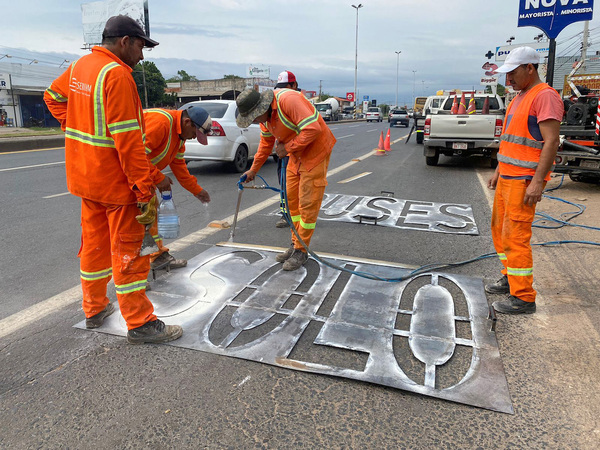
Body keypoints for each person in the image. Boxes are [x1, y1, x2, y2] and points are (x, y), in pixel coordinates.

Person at [44, 15, 182, 343]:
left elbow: (52, 97)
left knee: (94, 248)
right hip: (116, 184)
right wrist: (143, 187)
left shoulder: (81, 67)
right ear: (124, 42)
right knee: (129, 254)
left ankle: (94, 310)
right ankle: (140, 323)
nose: (142, 55)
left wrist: (73, 125)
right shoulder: (117, 76)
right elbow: (129, 142)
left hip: (85, 179)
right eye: (140, 46)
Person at [486, 46, 563, 314]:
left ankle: (524, 297)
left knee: (516, 237)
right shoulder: (520, 97)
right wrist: (498, 170)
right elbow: (511, 141)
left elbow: (551, 141)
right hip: (507, 177)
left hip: (523, 181)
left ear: (530, 68)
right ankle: (510, 277)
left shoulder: (545, 96)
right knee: (500, 232)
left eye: (513, 73)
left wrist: (538, 182)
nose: (508, 80)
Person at [236, 87, 336, 271]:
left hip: (314, 152)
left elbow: (313, 129)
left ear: (261, 109)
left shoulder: (288, 100)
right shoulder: (264, 120)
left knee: (307, 203)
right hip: (296, 154)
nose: (253, 122)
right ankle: (295, 244)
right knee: (292, 203)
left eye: (254, 118)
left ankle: (301, 250)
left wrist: (288, 148)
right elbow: (266, 145)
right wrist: (253, 170)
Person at [144, 104, 212, 269]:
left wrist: (197, 191)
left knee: (150, 214)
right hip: (124, 175)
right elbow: (134, 154)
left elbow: (180, 168)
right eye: (195, 134)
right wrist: (158, 178)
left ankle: (157, 256)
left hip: (142, 176)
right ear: (188, 122)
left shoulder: (180, 138)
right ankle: (131, 275)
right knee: (134, 223)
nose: (194, 138)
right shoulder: (161, 124)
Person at [273, 70, 300, 229]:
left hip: (298, 153)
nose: (282, 91)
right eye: (280, 87)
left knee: (297, 188)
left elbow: (308, 132)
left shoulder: (298, 102)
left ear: (294, 85)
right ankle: (286, 214)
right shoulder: (279, 102)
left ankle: (299, 216)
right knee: (283, 184)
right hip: (284, 152)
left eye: (286, 87)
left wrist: (289, 147)